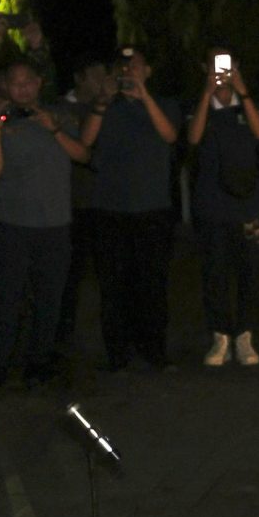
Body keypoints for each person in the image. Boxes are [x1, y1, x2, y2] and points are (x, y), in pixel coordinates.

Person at [0, 53, 90, 384]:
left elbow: (83, 154)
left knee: (49, 297)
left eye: (28, 82)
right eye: (16, 83)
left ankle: (39, 361)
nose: (23, 88)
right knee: (8, 296)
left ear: (39, 83)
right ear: (7, 87)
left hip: (55, 224)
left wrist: (53, 129)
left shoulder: (61, 116)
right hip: (14, 224)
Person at [82, 45, 180, 369]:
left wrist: (144, 96)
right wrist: (102, 101)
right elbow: (86, 142)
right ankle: (118, 354)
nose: (129, 73)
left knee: (152, 285)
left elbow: (169, 135)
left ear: (147, 70)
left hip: (152, 209)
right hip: (110, 210)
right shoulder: (104, 105)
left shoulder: (164, 104)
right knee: (113, 287)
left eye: (135, 66)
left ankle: (154, 349)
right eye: (124, 68)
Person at [186, 48, 259, 366]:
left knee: (249, 273)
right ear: (204, 67)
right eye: (215, 64)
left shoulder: (248, 103)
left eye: (228, 64)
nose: (222, 71)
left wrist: (242, 90)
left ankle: (245, 336)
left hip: (247, 205)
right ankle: (219, 336)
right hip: (211, 206)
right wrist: (207, 94)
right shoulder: (198, 105)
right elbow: (192, 139)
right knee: (215, 274)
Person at [53, 58, 115, 350]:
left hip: (105, 204)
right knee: (68, 279)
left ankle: (114, 345)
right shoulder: (59, 110)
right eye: (96, 76)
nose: (102, 83)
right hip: (70, 206)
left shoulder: (112, 107)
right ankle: (59, 343)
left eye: (106, 77)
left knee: (110, 278)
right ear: (79, 78)